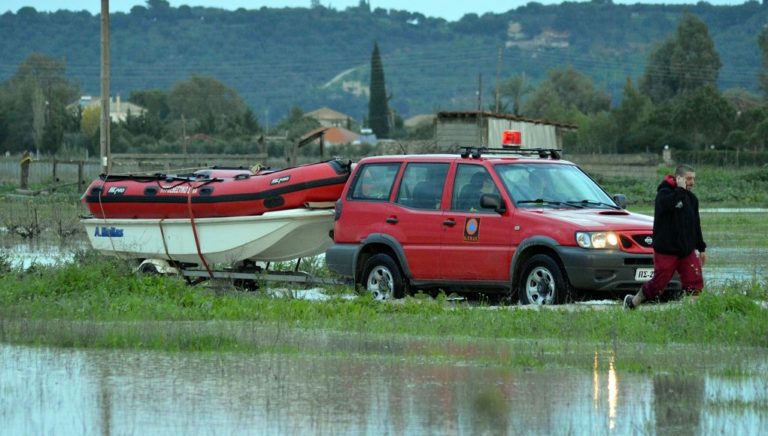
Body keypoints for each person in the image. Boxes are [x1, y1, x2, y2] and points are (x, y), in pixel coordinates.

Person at [624, 164, 707, 309]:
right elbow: (669, 205)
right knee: (657, 285)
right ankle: (632, 302)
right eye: (688, 179)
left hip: (686, 251)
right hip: (666, 250)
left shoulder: (692, 199)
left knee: (695, 282)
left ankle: (692, 314)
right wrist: (680, 190)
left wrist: (701, 248)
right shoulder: (663, 194)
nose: (692, 182)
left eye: (693, 179)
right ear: (679, 178)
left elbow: (696, 225)